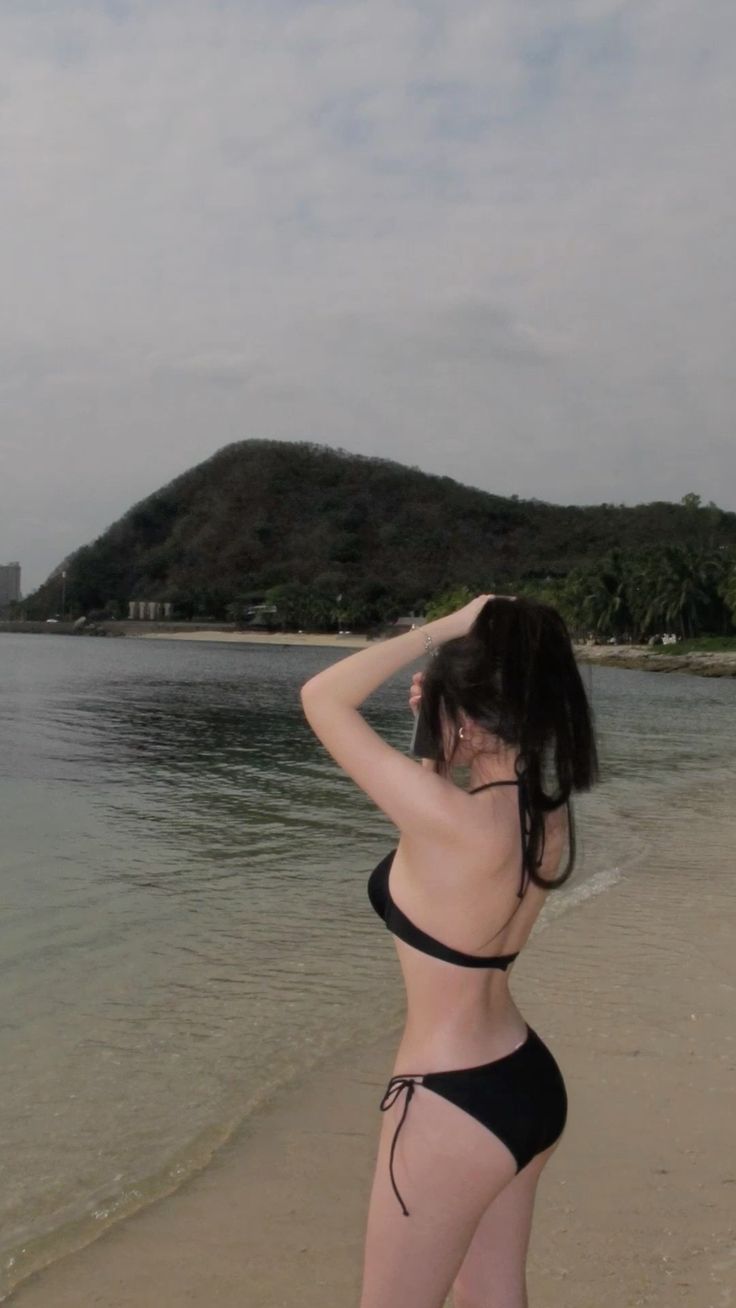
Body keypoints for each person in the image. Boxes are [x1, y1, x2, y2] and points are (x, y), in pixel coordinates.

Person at [300, 593, 599, 1308]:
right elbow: (430, 853)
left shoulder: (453, 825)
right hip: (524, 1081)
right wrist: (439, 731)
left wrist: (445, 628)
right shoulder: (545, 818)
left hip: (449, 1102)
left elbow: (321, 697)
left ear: (465, 717)